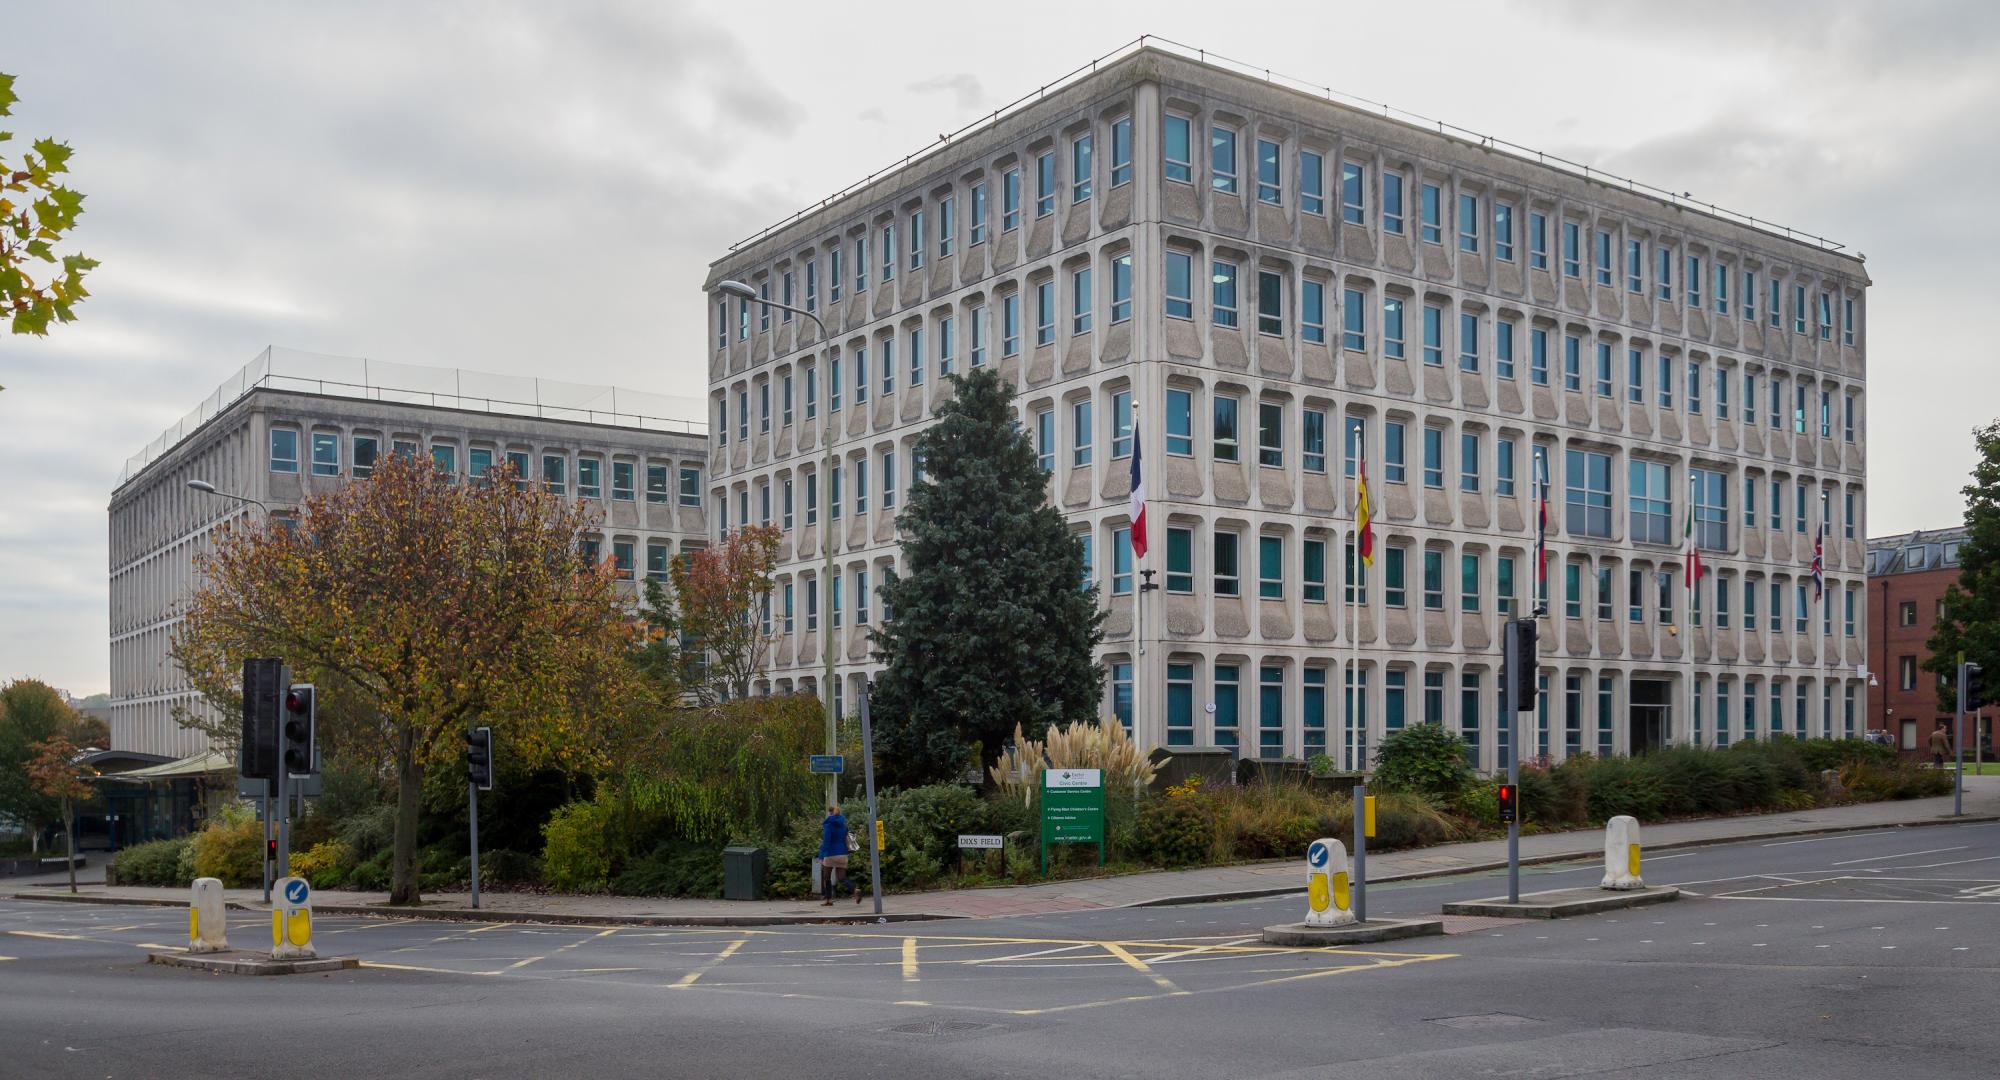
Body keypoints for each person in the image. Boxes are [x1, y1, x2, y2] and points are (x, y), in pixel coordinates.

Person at [817, 805, 859, 905]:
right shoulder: (843, 825)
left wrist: (821, 856)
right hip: (843, 854)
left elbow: (826, 841)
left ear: (830, 813)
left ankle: (828, 900)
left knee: (826, 877)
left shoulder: (828, 825)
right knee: (842, 878)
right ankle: (855, 890)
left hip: (831, 853)